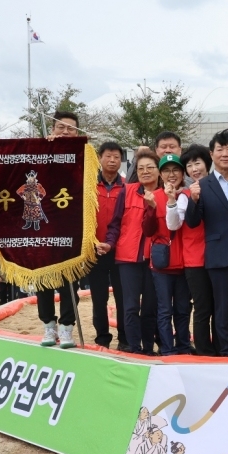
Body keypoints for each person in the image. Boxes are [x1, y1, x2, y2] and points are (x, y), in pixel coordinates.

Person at [183, 130, 228, 357]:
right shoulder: (203, 185)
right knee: (222, 308)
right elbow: (191, 221)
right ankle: (226, 349)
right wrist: (194, 199)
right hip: (218, 254)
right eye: (220, 149)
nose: (225, 154)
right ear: (212, 154)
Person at [101, 149, 161, 355]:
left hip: (156, 259)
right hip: (128, 258)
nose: (145, 172)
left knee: (151, 307)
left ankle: (148, 348)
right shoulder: (127, 191)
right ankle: (134, 348)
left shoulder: (166, 193)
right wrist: (109, 243)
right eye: (140, 168)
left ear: (159, 171)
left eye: (150, 168)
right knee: (130, 307)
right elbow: (115, 224)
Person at [34, 110, 82, 347]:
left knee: (70, 283)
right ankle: (48, 327)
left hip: (72, 230)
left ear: (77, 132)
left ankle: (66, 328)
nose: (65, 132)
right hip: (43, 228)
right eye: (60, 127)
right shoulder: (40, 153)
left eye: (70, 128)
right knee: (43, 281)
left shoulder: (85, 156)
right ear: (52, 130)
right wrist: (46, 149)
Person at [168, 144, 220, 356]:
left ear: (207, 162)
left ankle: (221, 347)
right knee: (202, 307)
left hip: (219, 257)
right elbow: (174, 225)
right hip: (195, 260)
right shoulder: (184, 195)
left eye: (197, 163)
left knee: (221, 306)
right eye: (189, 165)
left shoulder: (220, 188)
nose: (194, 168)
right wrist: (174, 199)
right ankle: (204, 350)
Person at [143, 154, 193, 356]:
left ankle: (183, 346)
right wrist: (151, 208)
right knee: (165, 310)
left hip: (185, 261)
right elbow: (147, 230)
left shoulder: (189, 194)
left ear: (182, 173)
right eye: (166, 170)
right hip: (162, 263)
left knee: (183, 309)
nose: (171, 175)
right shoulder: (153, 196)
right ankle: (167, 348)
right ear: (161, 174)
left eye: (175, 170)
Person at [88, 141, 127, 350]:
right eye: (108, 156)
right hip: (94, 251)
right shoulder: (89, 187)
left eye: (116, 157)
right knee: (99, 298)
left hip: (120, 252)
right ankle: (102, 337)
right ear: (100, 158)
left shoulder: (127, 187)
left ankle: (124, 338)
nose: (112, 160)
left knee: (123, 298)